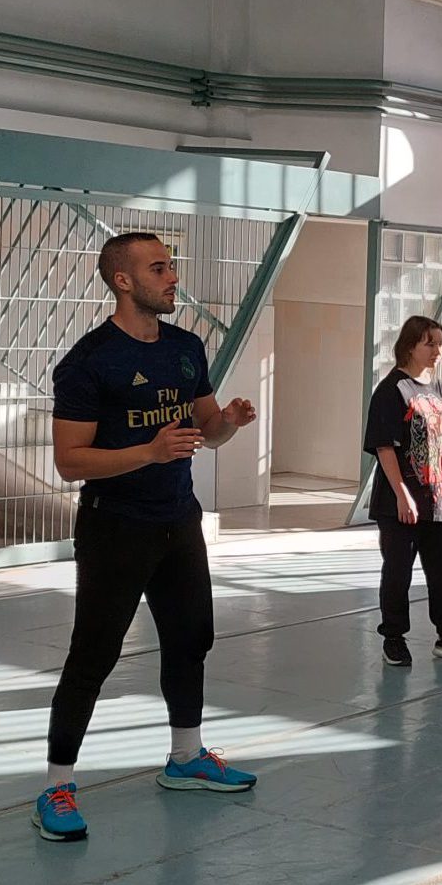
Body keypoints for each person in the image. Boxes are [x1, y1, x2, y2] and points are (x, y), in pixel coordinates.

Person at [34, 233, 260, 843]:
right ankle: (57, 785)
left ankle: (186, 757)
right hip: (115, 525)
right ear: (123, 281)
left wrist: (227, 423)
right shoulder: (89, 362)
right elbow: (70, 461)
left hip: (178, 520)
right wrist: (149, 452)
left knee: (191, 639)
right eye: (158, 268)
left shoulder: (186, 348)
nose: (172, 277)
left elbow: (206, 429)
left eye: (171, 266)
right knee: (93, 654)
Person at [362, 315, 442, 668]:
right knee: (398, 570)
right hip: (401, 501)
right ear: (410, 345)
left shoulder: (439, 389)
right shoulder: (392, 390)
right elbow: (385, 447)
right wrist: (401, 493)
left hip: (439, 496)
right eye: (429, 343)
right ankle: (394, 637)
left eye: (440, 344)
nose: (437, 350)